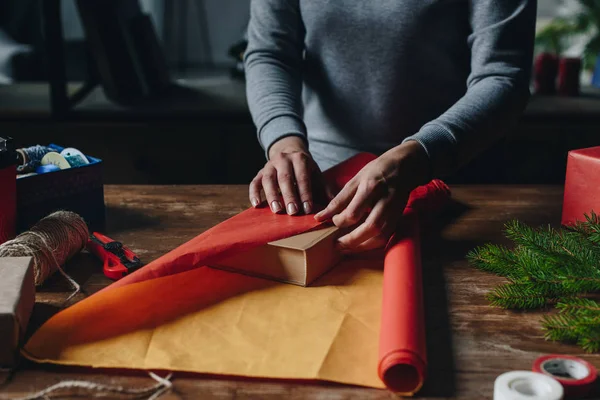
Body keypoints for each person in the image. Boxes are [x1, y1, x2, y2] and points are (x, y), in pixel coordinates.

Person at [244, 0, 536, 252]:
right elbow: (271, 52)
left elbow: (502, 74)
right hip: (324, 188)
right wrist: (283, 140)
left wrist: (421, 154)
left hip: (459, 187)